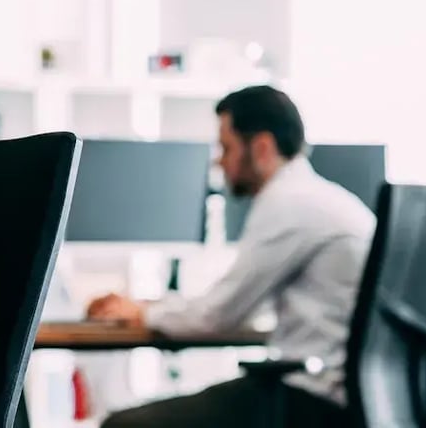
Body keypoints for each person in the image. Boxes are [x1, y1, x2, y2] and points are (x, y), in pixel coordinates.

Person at [86, 85, 374, 428]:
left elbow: (216, 317)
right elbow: (245, 306)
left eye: (226, 147)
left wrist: (143, 313)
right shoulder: (326, 198)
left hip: (312, 401)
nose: (219, 161)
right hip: (353, 399)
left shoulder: (288, 203)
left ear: (262, 147)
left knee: (122, 426)